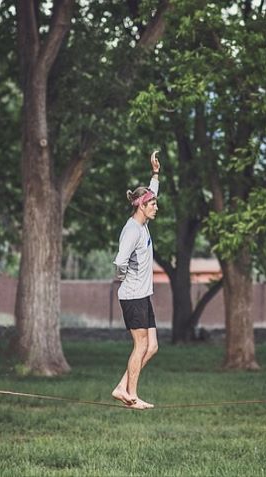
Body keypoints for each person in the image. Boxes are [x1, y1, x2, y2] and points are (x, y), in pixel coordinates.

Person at [111, 151, 161, 410]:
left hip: (142, 295)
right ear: (142, 205)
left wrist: (155, 174)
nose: (156, 206)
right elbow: (119, 261)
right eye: (152, 204)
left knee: (151, 346)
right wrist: (124, 279)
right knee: (140, 344)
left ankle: (122, 387)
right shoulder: (132, 230)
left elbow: (151, 192)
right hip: (132, 296)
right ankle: (131, 395)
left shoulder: (143, 225)